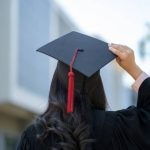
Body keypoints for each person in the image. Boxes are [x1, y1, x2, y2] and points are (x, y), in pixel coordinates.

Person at [16, 32, 150, 150]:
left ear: (57, 83)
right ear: (97, 84)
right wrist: (134, 69)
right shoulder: (120, 128)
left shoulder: (34, 136)